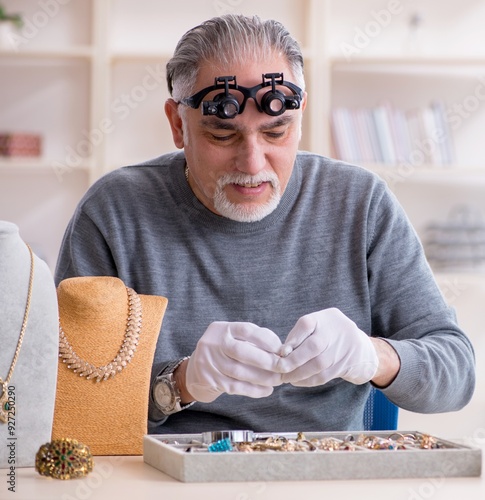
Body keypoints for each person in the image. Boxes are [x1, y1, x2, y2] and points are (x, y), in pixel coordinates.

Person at [55, 14, 475, 435]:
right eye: (223, 135)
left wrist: (372, 356)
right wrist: (181, 383)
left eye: (276, 132)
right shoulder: (114, 212)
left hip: (323, 477)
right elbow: (71, 399)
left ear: (301, 116)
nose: (253, 164)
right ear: (177, 124)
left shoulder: (361, 204)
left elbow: (456, 372)